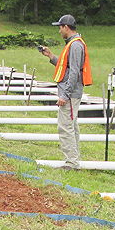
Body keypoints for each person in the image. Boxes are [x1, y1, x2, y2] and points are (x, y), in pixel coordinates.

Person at [39, 14, 92, 170]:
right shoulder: (72, 44)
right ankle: (74, 160)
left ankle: (71, 163)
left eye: (60, 27)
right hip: (71, 93)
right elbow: (65, 67)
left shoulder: (75, 45)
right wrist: (50, 56)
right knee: (71, 126)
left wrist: (64, 95)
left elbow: (75, 72)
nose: (59, 31)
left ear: (66, 27)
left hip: (70, 94)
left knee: (65, 127)